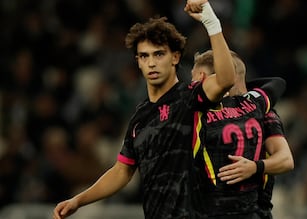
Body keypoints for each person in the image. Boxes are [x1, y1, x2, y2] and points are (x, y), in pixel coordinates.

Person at [53, 0, 235, 218]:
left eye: (159, 54)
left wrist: (210, 21)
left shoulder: (192, 96)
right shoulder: (140, 118)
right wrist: (78, 200)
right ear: (138, 61)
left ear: (175, 57)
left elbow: (225, 79)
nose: (151, 63)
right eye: (145, 56)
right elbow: (122, 171)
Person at [190, 50, 293, 218]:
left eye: (198, 80)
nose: (195, 88)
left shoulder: (262, 110)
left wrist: (255, 167)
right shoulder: (260, 106)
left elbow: (286, 160)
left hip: (246, 208)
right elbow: (276, 83)